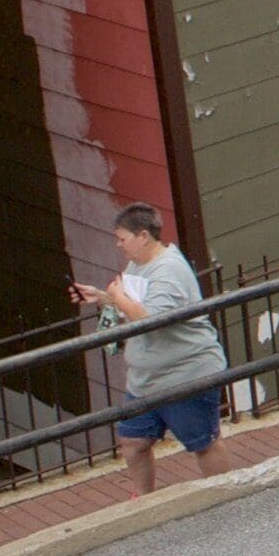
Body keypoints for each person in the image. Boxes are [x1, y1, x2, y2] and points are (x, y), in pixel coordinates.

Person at [72, 203, 228, 492]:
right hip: (147, 379)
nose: (118, 245)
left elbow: (149, 319)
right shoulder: (138, 265)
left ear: (143, 236)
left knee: (203, 443)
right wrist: (103, 297)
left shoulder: (168, 271)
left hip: (184, 375)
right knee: (133, 442)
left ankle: (230, 491)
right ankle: (144, 502)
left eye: (122, 238)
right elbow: (135, 305)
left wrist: (117, 299)